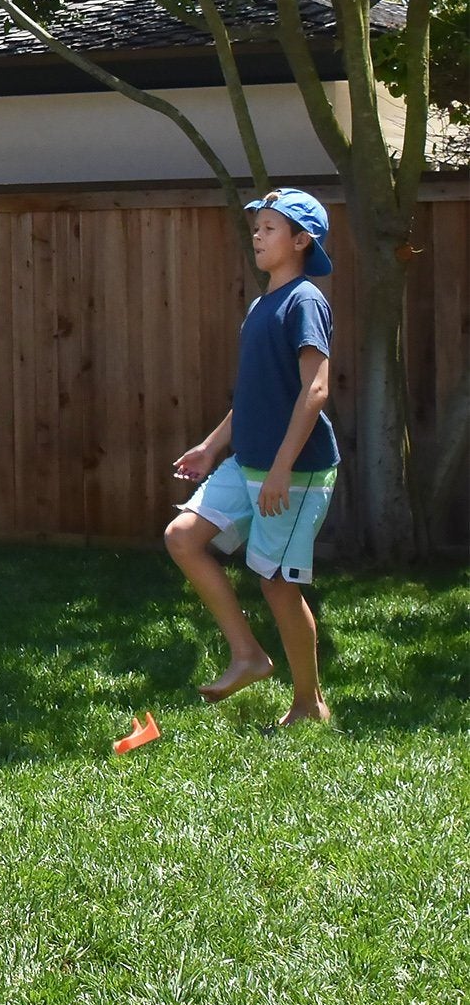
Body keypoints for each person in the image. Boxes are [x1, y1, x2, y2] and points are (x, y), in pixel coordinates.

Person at [167, 187, 339, 726]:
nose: (258, 237)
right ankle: (248, 655)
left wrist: (282, 469)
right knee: (183, 537)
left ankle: (309, 704)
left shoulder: (305, 301)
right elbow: (254, 395)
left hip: (297, 470)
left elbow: (316, 389)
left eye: (269, 228)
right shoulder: (262, 304)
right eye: (256, 228)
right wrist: (211, 445)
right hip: (248, 462)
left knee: (278, 584)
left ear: (301, 240)